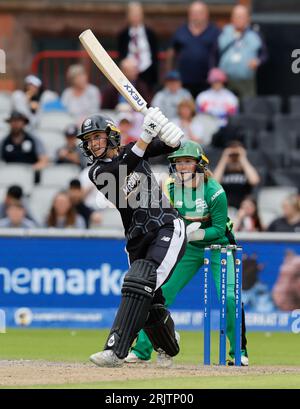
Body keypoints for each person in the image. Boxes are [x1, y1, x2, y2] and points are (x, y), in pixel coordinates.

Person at [77, 108, 186, 367]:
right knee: (150, 303)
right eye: (89, 140)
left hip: (166, 226)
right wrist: (145, 136)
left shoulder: (131, 150)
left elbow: (169, 147)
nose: (93, 144)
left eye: (97, 137)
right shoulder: (97, 172)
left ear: (111, 136)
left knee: (138, 282)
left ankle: (115, 350)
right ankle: (169, 345)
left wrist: (173, 137)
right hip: (137, 240)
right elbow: (123, 170)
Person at [126, 141, 248, 366]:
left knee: (229, 297)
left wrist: (194, 233)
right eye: (178, 162)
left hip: (219, 246)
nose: (182, 167)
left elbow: (219, 230)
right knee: (157, 292)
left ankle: (238, 352)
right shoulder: (170, 187)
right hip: (188, 248)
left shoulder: (215, 192)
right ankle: (142, 350)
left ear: (199, 165)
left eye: (187, 162)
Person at [166, 1, 220, 98]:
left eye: (199, 13)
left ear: (206, 14)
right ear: (189, 15)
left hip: (207, 83)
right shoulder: (181, 31)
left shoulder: (215, 32)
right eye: (193, 13)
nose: (196, 16)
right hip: (183, 82)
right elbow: (171, 53)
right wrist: (169, 75)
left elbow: (220, 55)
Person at [217, 5, 267, 98]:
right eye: (236, 16)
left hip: (246, 79)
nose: (238, 19)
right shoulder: (224, 32)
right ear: (232, 18)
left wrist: (258, 61)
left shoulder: (255, 34)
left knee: (249, 105)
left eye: (241, 17)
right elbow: (214, 53)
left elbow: (264, 55)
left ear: (248, 18)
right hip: (226, 79)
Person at [117, 1, 158, 92]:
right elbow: (121, 55)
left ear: (142, 15)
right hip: (128, 74)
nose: (135, 17)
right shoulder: (123, 35)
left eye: (137, 14)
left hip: (147, 72)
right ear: (128, 16)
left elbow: (155, 54)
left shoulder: (150, 33)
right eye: (133, 14)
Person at [213, 140, 260, 209]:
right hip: (225, 207)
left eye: (237, 155)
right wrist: (224, 158)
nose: (234, 157)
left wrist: (243, 158)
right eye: (232, 155)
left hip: (243, 207)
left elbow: (254, 181)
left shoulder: (246, 169)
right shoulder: (222, 170)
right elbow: (214, 182)